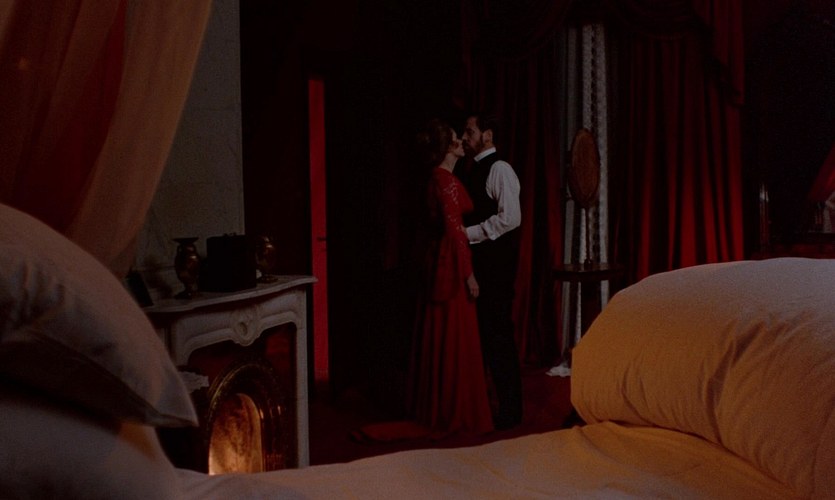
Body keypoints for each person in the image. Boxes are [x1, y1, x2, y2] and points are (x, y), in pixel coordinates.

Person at [355, 118, 493, 441]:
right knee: (453, 334)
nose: (461, 141)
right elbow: (455, 232)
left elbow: (456, 219)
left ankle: (441, 405)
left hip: (439, 260)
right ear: (447, 147)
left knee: (442, 334)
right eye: (456, 138)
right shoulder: (444, 181)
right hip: (450, 264)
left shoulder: (440, 178)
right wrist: (469, 274)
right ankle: (452, 409)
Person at [457, 111, 523, 430]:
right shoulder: (471, 169)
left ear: (488, 135)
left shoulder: (500, 169)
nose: (464, 137)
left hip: (496, 270)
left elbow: (511, 218)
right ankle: (485, 408)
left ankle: (511, 412)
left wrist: (468, 233)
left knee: (498, 338)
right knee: (482, 339)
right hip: (479, 268)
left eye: (469, 131)